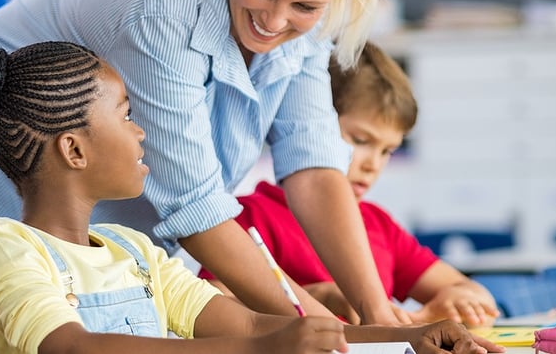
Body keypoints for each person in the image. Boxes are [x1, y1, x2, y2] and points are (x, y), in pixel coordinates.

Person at [0, 0, 408, 351]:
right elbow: (195, 208)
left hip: (68, 223)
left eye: (304, 7)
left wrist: (378, 317)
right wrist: (316, 335)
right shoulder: (158, 4)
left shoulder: (136, 253)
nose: (275, 19)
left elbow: (314, 167)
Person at [0, 41, 502, 354]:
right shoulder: (8, 248)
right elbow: (74, 349)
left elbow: (258, 326)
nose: (141, 132)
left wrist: (408, 339)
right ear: (73, 149)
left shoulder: (135, 252)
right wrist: (262, 348)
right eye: (126, 116)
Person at [199, 42, 500, 327]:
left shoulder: (379, 225)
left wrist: (449, 305)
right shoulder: (250, 217)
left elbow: (477, 295)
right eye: (360, 140)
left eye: (387, 151)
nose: (373, 164)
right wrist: (318, 295)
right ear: (312, 124)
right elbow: (206, 303)